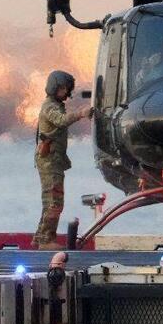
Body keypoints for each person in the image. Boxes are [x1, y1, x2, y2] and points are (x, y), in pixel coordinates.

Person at [34, 71, 93, 250]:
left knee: (49, 201)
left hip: (53, 159)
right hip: (50, 160)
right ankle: (46, 240)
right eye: (62, 88)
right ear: (54, 88)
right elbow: (61, 121)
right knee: (54, 202)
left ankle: (40, 237)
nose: (65, 92)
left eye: (67, 89)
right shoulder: (50, 107)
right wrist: (81, 113)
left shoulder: (54, 105)